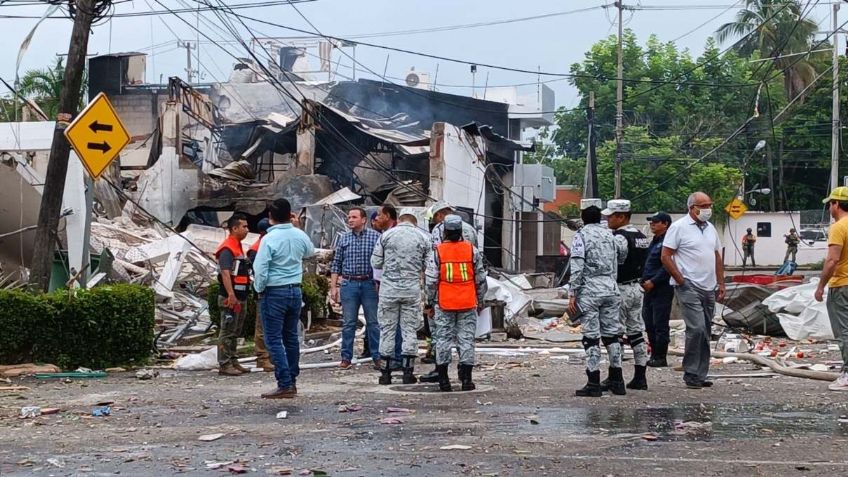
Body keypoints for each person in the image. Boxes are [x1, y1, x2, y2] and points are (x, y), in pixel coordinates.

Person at [661, 191, 726, 389]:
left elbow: (716, 256)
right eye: (703, 206)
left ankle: (700, 374)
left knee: (705, 331)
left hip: (709, 285)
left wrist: (721, 283)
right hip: (688, 284)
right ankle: (690, 372)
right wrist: (680, 280)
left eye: (709, 206)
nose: (707, 210)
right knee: (696, 328)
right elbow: (666, 256)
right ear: (692, 208)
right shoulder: (679, 227)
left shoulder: (710, 229)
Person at [253, 198, 315, 399]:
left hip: (274, 291)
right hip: (295, 290)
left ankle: (284, 382)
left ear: (270, 217)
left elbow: (260, 268)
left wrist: (259, 288)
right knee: (291, 338)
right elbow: (310, 252)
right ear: (291, 215)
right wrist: (297, 228)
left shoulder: (268, 240)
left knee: (273, 339)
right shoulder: (299, 235)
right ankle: (292, 380)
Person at [567, 200, 627, 397]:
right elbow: (621, 257)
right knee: (612, 335)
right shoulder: (611, 235)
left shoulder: (581, 235)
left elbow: (577, 265)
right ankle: (617, 380)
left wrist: (572, 293)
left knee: (591, 337)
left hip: (590, 291)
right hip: (611, 288)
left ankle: (593, 382)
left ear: (583, 218)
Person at [425, 215, 487, 392]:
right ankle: (466, 380)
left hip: (444, 302)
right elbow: (480, 279)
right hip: (467, 301)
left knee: (443, 339)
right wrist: (480, 300)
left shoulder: (438, 251)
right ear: (460, 231)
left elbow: (431, 281)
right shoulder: (471, 250)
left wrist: (429, 303)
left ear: (444, 231)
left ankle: (444, 380)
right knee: (466, 339)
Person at [371, 213, 432, 385]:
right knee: (409, 330)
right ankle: (408, 372)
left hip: (389, 289)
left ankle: (385, 373)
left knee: (387, 330)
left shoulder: (386, 236)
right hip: (411, 289)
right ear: (415, 222)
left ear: (399, 220)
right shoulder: (423, 237)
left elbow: (375, 262)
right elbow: (429, 266)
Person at [603, 199, 650, 390]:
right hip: (637, 289)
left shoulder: (619, 238)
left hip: (620, 289)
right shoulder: (641, 236)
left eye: (611, 216)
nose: (607, 219)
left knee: (616, 334)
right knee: (637, 332)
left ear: (621, 216)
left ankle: (616, 376)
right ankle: (640, 377)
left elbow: (613, 264)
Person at [330, 207, 382, 370]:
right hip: (349, 283)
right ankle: (346, 357)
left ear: (364, 219)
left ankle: (377, 356)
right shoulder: (343, 239)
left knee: (373, 322)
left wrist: (379, 282)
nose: (350, 220)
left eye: (354, 217)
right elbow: (336, 263)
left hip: (369, 283)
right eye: (348, 217)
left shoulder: (376, 237)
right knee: (349, 323)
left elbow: (382, 262)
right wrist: (334, 287)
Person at [814, 187, 848, 391]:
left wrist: (820, 286)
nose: (829, 208)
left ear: (836, 204)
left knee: (844, 331)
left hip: (842, 286)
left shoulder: (838, 227)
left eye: (830, 204)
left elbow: (832, 260)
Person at [215, 213, 251, 376]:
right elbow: (225, 273)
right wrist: (231, 294)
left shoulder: (238, 246)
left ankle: (233, 360)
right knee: (227, 330)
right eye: (244, 226)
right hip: (231, 297)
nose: (247, 230)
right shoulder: (227, 248)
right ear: (234, 228)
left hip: (240, 295)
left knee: (236, 330)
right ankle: (224, 363)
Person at [641, 212, 674, 368]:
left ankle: (661, 356)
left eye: (655, 222)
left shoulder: (669, 242)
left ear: (665, 224)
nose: (652, 225)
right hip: (648, 288)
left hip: (662, 287)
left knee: (660, 323)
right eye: (651, 222)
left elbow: (667, 265)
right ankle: (654, 353)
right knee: (649, 322)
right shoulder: (654, 241)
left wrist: (653, 281)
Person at [247, 218, 274, 372]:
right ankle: (262, 358)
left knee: (270, 325)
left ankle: (270, 356)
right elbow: (260, 272)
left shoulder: (265, 245)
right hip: (263, 291)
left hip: (271, 290)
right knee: (262, 326)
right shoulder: (257, 249)